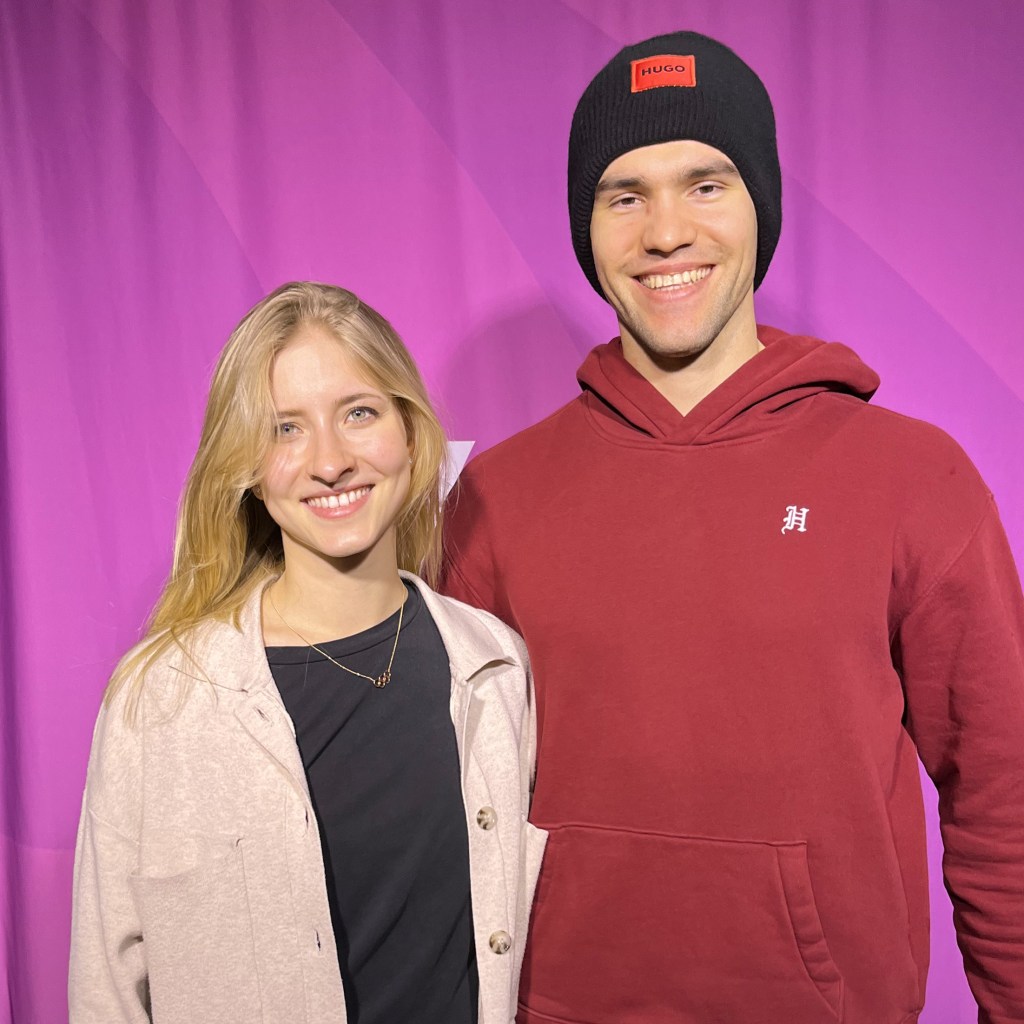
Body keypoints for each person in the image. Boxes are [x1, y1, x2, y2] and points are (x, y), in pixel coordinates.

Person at [440, 31, 1024, 1024]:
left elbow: (1002, 793)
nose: (666, 231)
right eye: (624, 196)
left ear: (762, 205)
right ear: (587, 229)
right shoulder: (498, 495)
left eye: (705, 185)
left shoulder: (911, 478)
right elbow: (449, 803)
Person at [69, 281, 546, 1024]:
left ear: (411, 433)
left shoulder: (496, 668)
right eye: (285, 429)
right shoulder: (162, 698)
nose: (329, 461)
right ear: (247, 469)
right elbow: (107, 983)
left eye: (358, 413)